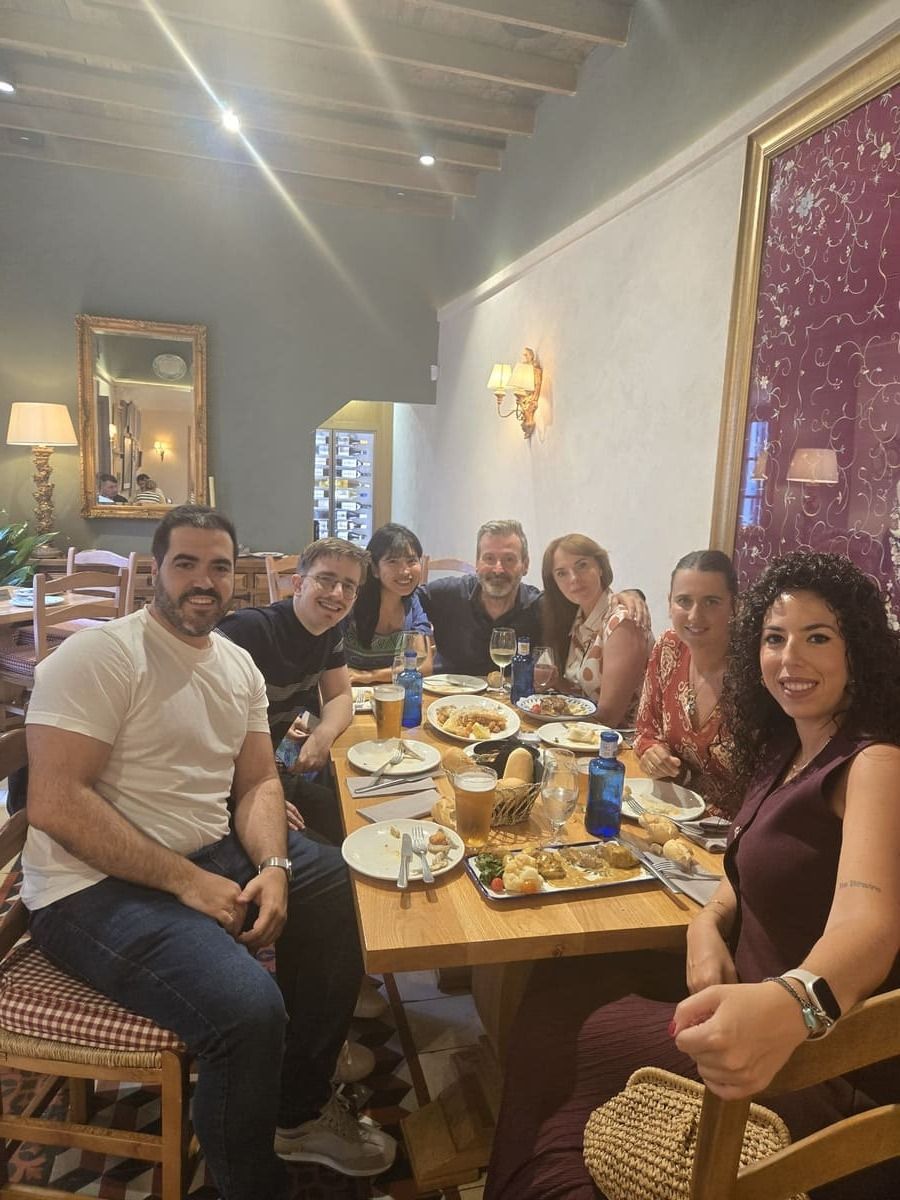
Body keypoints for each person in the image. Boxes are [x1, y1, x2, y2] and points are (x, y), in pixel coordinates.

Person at [486, 551, 900, 1200]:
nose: (790, 658)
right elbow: (748, 864)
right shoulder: (791, 744)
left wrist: (793, 1004)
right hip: (743, 990)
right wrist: (709, 920)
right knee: (559, 984)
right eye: (774, 638)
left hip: (806, 1060)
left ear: (862, 650)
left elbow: (869, 927)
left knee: (563, 1034)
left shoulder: (874, 763)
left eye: (818, 637)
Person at [23, 506, 395, 1200]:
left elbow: (257, 780)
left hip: (205, 852)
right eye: (186, 563)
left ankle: (297, 1107)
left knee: (339, 886)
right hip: (89, 889)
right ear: (156, 571)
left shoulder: (236, 667)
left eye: (219, 566)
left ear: (238, 577)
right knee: (249, 1012)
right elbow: (55, 803)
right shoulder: (100, 655)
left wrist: (277, 866)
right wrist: (187, 881)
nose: (204, 580)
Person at [218, 536, 367, 844]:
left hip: (270, 773)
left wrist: (322, 737)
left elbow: (340, 695)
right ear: (298, 584)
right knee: (340, 859)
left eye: (349, 586)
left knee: (359, 821)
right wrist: (252, 793)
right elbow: (195, 730)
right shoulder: (248, 631)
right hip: (221, 792)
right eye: (326, 580)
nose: (337, 593)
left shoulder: (330, 631)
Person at [421, 519, 649, 678]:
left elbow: (589, 600)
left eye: (509, 559)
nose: (498, 569)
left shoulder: (543, 607)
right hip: (443, 704)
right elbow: (400, 600)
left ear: (526, 565)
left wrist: (630, 595)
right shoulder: (446, 594)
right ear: (477, 563)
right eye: (489, 558)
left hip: (512, 715)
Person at [634, 549, 737, 815]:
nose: (694, 616)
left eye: (711, 602)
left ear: (735, 605)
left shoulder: (756, 670)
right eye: (684, 601)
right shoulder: (669, 646)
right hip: (671, 810)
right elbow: (646, 730)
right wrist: (652, 752)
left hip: (733, 833)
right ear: (670, 604)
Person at [541, 534, 653, 726]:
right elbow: (584, 696)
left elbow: (609, 717)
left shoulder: (622, 622)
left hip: (625, 742)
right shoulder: (579, 618)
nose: (574, 578)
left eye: (582, 565)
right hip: (587, 730)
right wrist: (555, 683)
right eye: (562, 573)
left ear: (600, 567)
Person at [342, 523, 433, 684]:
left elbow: (424, 666)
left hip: (393, 696)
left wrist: (369, 676)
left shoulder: (412, 605)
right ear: (375, 569)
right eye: (393, 561)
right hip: (350, 696)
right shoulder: (351, 602)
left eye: (412, 561)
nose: (405, 571)